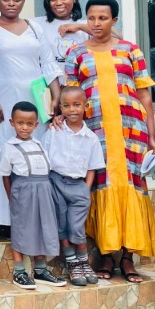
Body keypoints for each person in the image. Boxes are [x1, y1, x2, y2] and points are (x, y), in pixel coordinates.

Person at [66, 0, 155, 282]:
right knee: (101, 185)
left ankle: (129, 258)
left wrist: (152, 135)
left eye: (103, 18)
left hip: (131, 131)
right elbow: (71, 97)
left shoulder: (131, 50)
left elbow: (144, 94)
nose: (97, 23)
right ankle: (107, 256)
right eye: (92, 18)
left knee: (131, 186)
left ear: (114, 20)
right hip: (94, 132)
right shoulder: (76, 53)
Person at [0, 0, 61, 229]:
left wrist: (56, 99)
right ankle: (3, 219)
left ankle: (34, 214)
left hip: (35, 102)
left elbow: (49, 65)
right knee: (4, 150)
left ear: (23, 1)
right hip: (2, 101)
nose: (11, 4)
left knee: (34, 152)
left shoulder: (35, 28)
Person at [0, 101, 66, 290]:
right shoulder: (10, 146)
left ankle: (41, 269)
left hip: (44, 189)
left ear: (36, 125)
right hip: (23, 190)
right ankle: (19, 271)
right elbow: (5, 176)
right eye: (20, 123)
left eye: (29, 124)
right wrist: (12, 197)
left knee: (42, 228)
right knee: (22, 228)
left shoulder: (39, 144)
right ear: (12, 123)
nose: (24, 127)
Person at [41, 86, 104, 287]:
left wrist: (86, 188)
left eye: (77, 105)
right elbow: (44, 157)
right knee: (62, 224)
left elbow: (93, 167)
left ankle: (84, 261)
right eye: (66, 106)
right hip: (56, 181)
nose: (72, 110)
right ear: (60, 108)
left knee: (76, 226)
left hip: (78, 185)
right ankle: (72, 263)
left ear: (86, 106)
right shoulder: (54, 131)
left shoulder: (91, 138)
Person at [31, 0, 91, 65]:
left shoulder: (85, 25)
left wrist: (80, 27)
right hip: (49, 78)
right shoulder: (36, 24)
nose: (58, 3)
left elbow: (115, 36)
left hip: (78, 78)